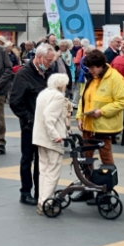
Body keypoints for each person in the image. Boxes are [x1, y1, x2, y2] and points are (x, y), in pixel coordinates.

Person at [10, 43, 56, 205]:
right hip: (30, 125)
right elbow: (15, 102)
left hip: (46, 125)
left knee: (42, 160)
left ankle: (40, 191)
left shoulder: (48, 72)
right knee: (27, 158)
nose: (50, 63)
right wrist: (29, 119)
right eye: (49, 60)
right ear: (39, 57)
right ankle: (25, 192)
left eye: (51, 61)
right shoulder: (24, 74)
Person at [76, 49, 124, 177]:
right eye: (89, 68)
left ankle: (107, 189)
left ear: (101, 65)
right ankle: (88, 185)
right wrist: (79, 117)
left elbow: (122, 102)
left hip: (104, 126)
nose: (90, 71)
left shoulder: (115, 78)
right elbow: (84, 99)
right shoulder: (92, 78)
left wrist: (102, 111)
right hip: (88, 125)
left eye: (93, 68)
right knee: (86, 157)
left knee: (106, 157)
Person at [33, 73, 71, 215]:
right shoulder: (58, 96)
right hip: (52, 139)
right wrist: (56, 135)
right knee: (52, 172)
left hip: (40, 137)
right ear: (61, 85)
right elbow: (49, 116)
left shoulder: (43, 93)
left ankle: (41, 200)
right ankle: (46, 203)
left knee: (43, 170)